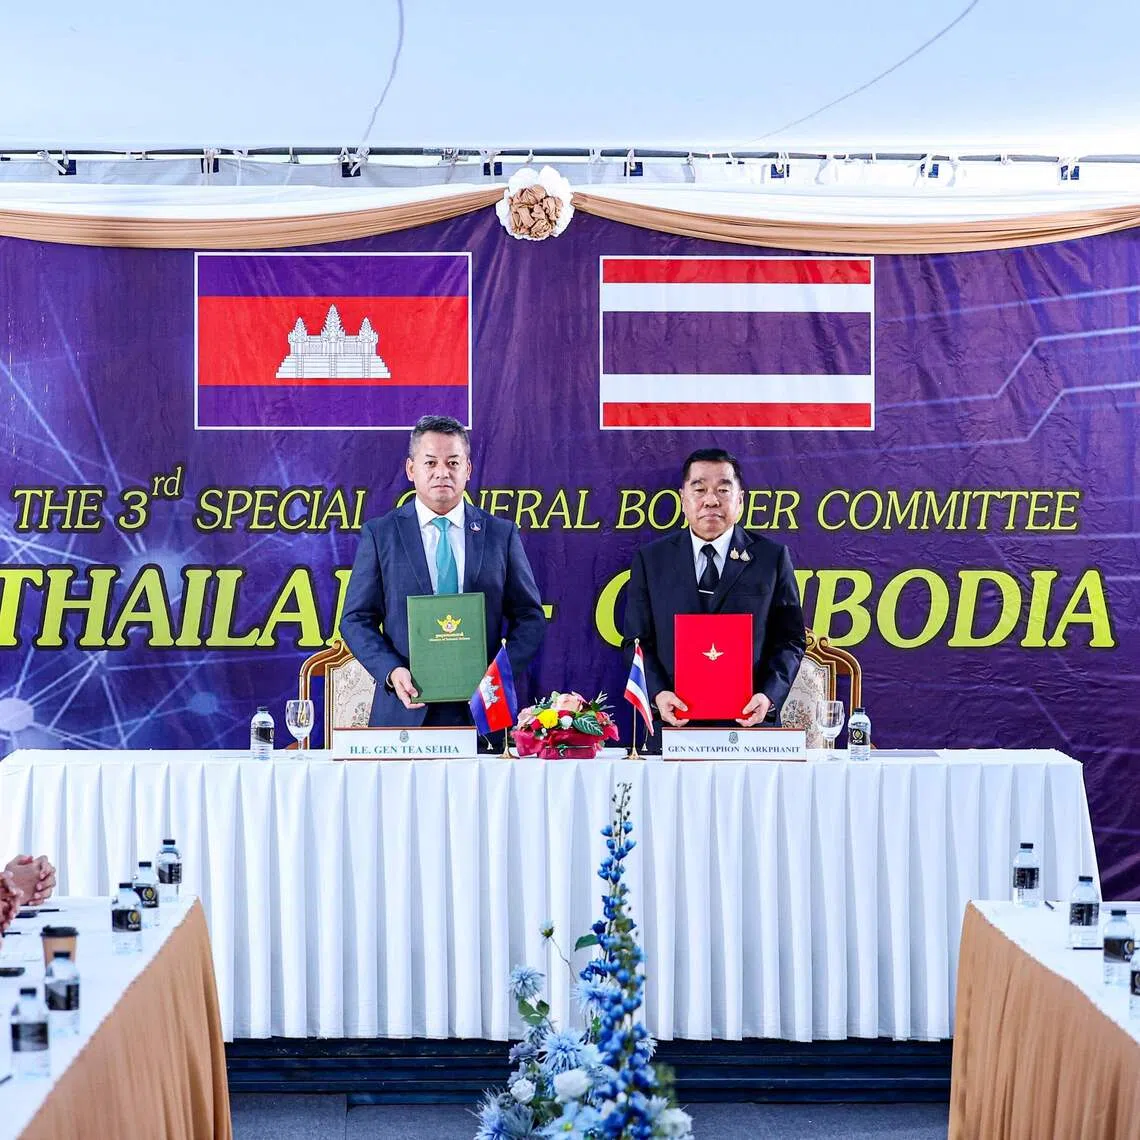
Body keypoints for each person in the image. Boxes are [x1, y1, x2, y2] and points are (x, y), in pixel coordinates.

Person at [341, 414, 547, 726]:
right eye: (430, 463)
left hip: (483, 714)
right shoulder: (381, 535)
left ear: (468, 469)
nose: (442, 473)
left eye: (452, 463)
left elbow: (530, 617)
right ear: (411, 469)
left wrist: (497, 677)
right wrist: (391, 671)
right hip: (404, 712)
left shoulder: (499, 535)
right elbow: (356, 619)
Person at [623, 447, 806, 728]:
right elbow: (636, 641)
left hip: (749, 725)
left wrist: (768, 696)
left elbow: (790, 640)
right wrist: (659, 694)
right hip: (673, 723)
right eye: (699, 490)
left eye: (723, 490)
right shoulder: (651, 561)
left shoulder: (772, 559)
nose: (711, 501)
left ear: (740, 500)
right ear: (683, 499)